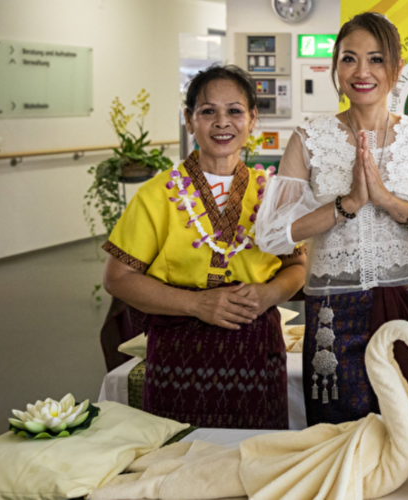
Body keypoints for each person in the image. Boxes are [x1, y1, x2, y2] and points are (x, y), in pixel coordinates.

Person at [254, 12, 408, 426]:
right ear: (335, 67)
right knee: (342, 432)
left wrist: (390, 202)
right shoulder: (309, 138)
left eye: (376, 59)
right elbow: (273, 235)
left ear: (396, 68)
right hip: (336, 308)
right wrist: (346, 204)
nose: (362, 71)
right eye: (349, 59)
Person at [102, 65, 306, 429]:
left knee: (256, 460)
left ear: (253, 119)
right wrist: (197, 303)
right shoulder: (157, 195)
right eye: (208, 111)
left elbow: (297, 266)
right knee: (174, 462)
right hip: (178, 353)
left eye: (235, 111)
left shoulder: (271, 193)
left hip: (256, 351)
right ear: (189, 119)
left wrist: (269, 294)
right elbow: (118, 278)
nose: (222, 122)